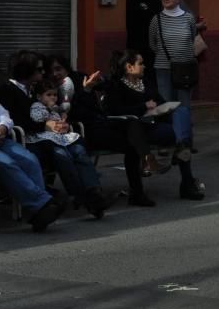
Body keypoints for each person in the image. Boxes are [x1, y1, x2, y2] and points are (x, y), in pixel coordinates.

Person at [48, 54, 166, 205]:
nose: (55, 74)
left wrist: (97, 82)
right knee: (132, 143)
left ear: (66, 68)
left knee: (133, 126)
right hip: (84, 129)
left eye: (58, 69)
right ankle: (146, 166)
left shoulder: (79, 78)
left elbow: (106, 87)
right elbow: (74, 113)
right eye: (51, 71)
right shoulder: (50, 88)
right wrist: (85, 90)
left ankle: (142, 178)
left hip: (101, 121)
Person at [104, 49, 205, 201]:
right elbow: (114, 110)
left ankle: (182, 151)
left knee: (181, 113)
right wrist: (143, 107)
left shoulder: (146, 83)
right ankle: (187, 182)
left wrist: (164, 108)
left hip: (155, 124)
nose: (144, 66)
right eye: (141, 63)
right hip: (136, 130)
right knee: (182, 136)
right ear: (129, 67)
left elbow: (161, 101)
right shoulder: (116, 86)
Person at [28, 79, 114, 218]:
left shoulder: (56, 108)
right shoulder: (37, 106)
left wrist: (64, 122)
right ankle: (80, 195)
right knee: (63, 156)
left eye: (54, 95)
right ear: (39, 97)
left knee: (80, 151)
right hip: (45, 140)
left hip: (60, 138)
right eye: (48, 95)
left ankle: (94, 191)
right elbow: (36, 118)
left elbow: (62, 121)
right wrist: (50, 110)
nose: (52, 98)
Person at [0, 99, 65, 231]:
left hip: (1, 139)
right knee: (7, 163)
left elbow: (3, 114)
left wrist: (3, 127)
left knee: (30, 160)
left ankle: (39, 214)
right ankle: (43, 205)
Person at [148, 0, 198, 109]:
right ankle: (169, 128)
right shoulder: (156, 19)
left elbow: (192, 39)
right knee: (166, 103)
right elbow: (152, 43)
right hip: (163, 68)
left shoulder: (188, 18)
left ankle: (183, 128)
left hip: (184, 68)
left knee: (184, 103)